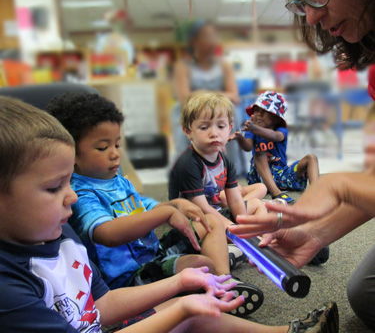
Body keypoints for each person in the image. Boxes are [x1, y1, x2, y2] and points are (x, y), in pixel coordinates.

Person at [0, 96, 340, 333]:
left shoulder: (63, 240)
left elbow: (101, 304)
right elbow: (106, 233)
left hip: (139, 273)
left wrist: (173, 217)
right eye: (53, 188)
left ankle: (286, 327)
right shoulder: (9, 284)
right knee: (189, 307)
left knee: (195, 299)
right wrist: (180, 302)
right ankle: (227, 274)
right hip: (131, 273)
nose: (70, 196)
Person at [229, 0, 375, 328]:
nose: (310, 16)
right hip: (275, 179)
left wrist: (342, 184)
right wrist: (315, 232)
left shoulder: (275, 133)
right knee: (366, 296)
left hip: (280, 177)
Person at [47, 92, 264, 318]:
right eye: (103, 148)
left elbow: (144, 207)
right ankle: (217, 284)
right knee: (201, 264)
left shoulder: (117, 180)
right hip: (130, 278)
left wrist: (175, 204)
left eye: (117, 145)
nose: (114, 155)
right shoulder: (80, 192)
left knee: (208, 222)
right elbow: (106, 234)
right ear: (70, 153)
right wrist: (164, 214)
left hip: (154, 253)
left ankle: (225, 282)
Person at [169, 92, 267, 229]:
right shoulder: (188, 164)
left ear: (230, 128)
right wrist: (234, 228)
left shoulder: (226, 162)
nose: (214, 133)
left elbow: (234, 201)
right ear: (188, 131)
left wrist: (242, 222)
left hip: (215, 211)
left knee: (257, 204)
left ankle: (257, 235)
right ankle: (244, 239)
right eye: (204, 127)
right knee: (221, 228)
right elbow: (201, 208)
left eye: (221, 126)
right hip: (194, 218)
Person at [172, 20, 247, 175]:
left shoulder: (224, 65)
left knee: (234, 112)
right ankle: (189, 169)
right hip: (192, 108)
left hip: (220, 107)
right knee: (183, 115)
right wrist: (213, 97)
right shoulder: (183, 66)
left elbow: (234, 95)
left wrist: (205, 97)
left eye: (214, 36)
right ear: (194, 41)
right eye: (206, 36)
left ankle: (231, 167)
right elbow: (184, 97)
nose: (212, 41)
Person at [231, 91, 319, 204]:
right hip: (260, 178)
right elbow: (248, 147)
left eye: (265, 111)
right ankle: (276, 193)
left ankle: (317, 192)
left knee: (311, 158)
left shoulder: (280, 130)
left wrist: (255, 129)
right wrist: (240, 138)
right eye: (257, 110)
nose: (259, 114)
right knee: (260, 153)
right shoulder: (252, 132)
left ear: (277, 118)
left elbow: (276, 137)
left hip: (282, 174)